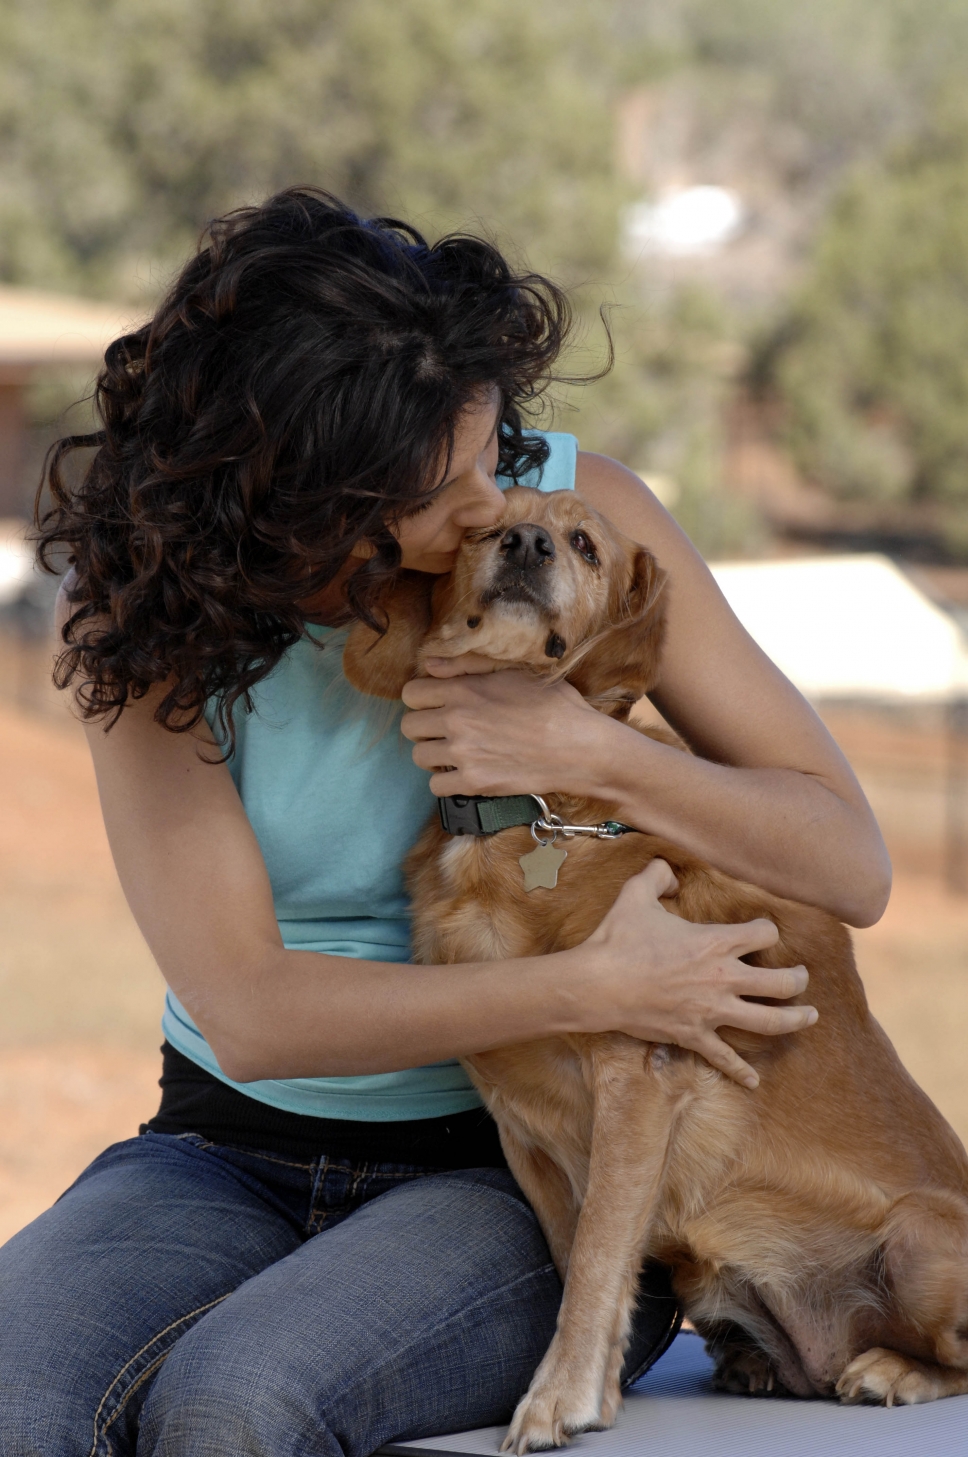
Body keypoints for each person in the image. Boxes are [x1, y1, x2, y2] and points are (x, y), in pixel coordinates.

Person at [0, 188, 890, 1457]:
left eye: (491, 446)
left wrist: (587, 747)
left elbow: (845, 856)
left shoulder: (578, 520)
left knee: (238, 1404)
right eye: (442, 482)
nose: (494, 498)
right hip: (222, 1148)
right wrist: (595, 986)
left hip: (510, 1167)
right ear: (312, 497)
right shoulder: (155, 618)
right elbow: (251, 1010)